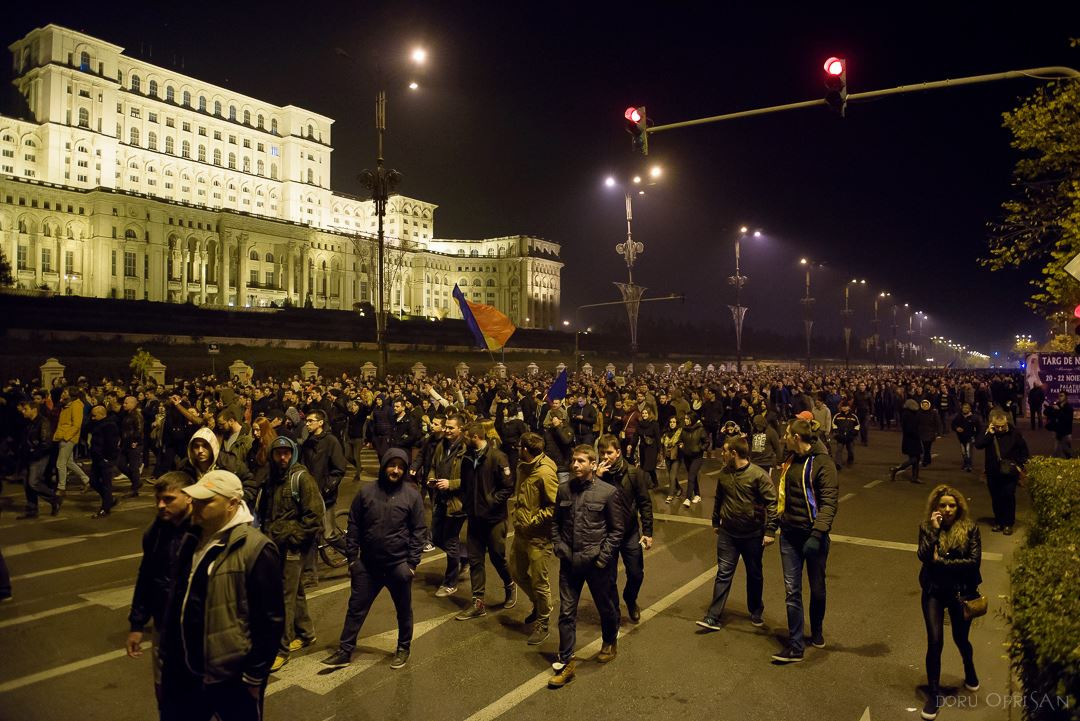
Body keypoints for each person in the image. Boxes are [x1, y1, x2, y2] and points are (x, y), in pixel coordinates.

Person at [159, 470, 284, 721]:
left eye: (207, 501)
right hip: (187, 670)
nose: (197, 506)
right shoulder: (192, 537)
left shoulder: (255, 548)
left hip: (230, 677)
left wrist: (254, 676)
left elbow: (270, 621)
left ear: (232, 504)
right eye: (197, 499)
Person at [322, 449, 426, 669]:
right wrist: (352, 558)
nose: (395, 470)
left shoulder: (412, 496)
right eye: (392, 465)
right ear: (384, 465)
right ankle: (345, 650)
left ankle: (403, 648)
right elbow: (354, 524)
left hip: (398, 565)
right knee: (355, 608)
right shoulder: (366, 493)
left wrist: (412, 564)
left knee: (403, 610)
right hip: (368, 566)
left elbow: (419, 531)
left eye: (400, 467)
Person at [548, 445, 627, 688]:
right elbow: (555, 524)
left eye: (581, 461)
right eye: (573, 461)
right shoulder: (564, 490)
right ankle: (567, 663)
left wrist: (602, 558)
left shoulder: (608, 492)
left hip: (596, 564)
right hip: (570, 563)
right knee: (566, 613)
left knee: (605, 607)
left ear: (593, 465)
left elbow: (617, 531)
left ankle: (610, 640)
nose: (575, 465)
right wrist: (559, 547)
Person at [771, 419, 839, 663]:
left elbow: (829, 503)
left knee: (817, 589)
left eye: (787, 434)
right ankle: (796, 644)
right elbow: (781, 496)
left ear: (797, 438)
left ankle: (817, 630)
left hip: (813, 537)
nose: (783, 438)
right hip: (789, 535)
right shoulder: (789, 460)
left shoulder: (823, 463)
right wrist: (775, 523)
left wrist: (817, 534)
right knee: (792, 590)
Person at [126, 471, 195, 709]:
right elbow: (147, 576)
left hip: (194, 626)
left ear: (188, 497)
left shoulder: (202, 531)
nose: (160, 505)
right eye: (158, 499)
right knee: (164, 688)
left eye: (168, 499)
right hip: (163, 622)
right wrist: (137, 624)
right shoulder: (155, 532)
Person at [255, 436, 323, 672]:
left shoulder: (301, 478)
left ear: (292, 453)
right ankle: (306, 634)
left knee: (283, 597)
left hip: (293, 547)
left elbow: (314, 515)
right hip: (275, 546)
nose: (282, 457)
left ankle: (280, 649)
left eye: (286, 452)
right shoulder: (272, 478)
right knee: (295, 592)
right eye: (278, 453)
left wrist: (294, 537)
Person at [697, 435, 777, 631]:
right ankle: (713, 616)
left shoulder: (758, 475)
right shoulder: (725, 473)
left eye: (724, 451)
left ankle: (756, 611)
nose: (721, 454)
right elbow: (719, 498)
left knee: (754, 574)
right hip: (728, 533)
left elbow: (772, 503)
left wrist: (770, 531)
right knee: (723, 573)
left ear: (734, 453)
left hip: (752, 534)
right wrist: (716, 521)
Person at [916, 485, 982, 720]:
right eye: (942, 505)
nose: (947, 509)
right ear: (935, 507)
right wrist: (934, 532)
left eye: (951, 505)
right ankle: (933, 695)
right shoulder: (926, 527)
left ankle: (970, 669)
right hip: (933, 591)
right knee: (934, 642)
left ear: (959, 507)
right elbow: (923, 556)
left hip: (960, 593)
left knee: (960, 638)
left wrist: (940, 563)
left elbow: (973, 562)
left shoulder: (971, 528)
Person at [455, 421, 517, 620]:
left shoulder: (498, 457)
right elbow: (465, 485)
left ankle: (509, 585)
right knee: (475, 560)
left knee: (498, 558)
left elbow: (508, 487)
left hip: (494, 518)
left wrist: (491, 502)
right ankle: (478, 603)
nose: (462, 440)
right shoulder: (467, 458)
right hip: (474, 517)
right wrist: (467, 503)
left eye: (465, 437)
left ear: (475, 437)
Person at [508, 431, 560, 644]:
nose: (517, 450)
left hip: (538, 537)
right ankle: (538, 605)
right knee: (516, 572)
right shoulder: (523, 467)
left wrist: (533, 520)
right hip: (521, 531)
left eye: (519, 447)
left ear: (526, 450)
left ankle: (543, 621)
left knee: (540, 582)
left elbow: (554, 506)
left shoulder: (545, 473)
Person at [596, 434, 652, 624]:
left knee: (636, 573)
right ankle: (614, 614)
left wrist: (648, 532)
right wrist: (596, 479)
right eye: (602, 453)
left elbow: (645, 503)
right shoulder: (597, 475)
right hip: (607, 534)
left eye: (609, 453)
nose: (605, 457)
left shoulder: (634, 473)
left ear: (618, 452)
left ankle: (630, 598)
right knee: (608, 578)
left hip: (629, 533)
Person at [300, 409, 349, 583]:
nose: (307, 423)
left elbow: (339, 469)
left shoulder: (331, 441)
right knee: (310, 534)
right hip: (310, 496)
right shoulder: (308, 443)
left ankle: (355, 555)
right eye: (306, 421)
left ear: (320, 422)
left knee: (329, 534)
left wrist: (327, 488)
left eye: (311, 421)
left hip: (325, 496)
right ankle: (310, 574)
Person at [428, 413, 469, 597]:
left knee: (451, 541)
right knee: (436, 537)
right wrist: (431, 477)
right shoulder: (441, 445)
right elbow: (434, 466)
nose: (447, 430)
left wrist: (451, 484)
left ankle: (450, 582)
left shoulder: (466, 450)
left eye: (451, 428)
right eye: (446, 427)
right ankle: (464, 557)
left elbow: (473, 479)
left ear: (460, 429)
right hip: (441, 499)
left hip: (458, 503)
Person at [974, 409, 1029, 535]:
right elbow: (978, 445)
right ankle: (999, 521)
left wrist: (1019, 465)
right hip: (993, 471)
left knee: (1008, 496)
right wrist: (989, 433)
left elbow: (1024, 452)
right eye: (997, 426)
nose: (1000, 429)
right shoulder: (990, 433)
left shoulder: (1015, 434)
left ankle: (1009, 523)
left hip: (1010, 472)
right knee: (996, 498)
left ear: (1006, 423)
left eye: (1002, 426)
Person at [16, 397, 59, 518]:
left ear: (34, 410)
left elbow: (45, 443)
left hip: (39, 456)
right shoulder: (28, 422)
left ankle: (54, 498)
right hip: (27, 456)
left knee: (33, 482)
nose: (23, 411)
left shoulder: (43, 422)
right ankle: (32, 509)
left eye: (26, 409)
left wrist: (34, 453)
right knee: (27, 484)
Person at [52, 386, 90, 496]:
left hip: (68, 438)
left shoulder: (76, 405)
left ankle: (61, 487)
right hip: (63, 436)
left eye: (65, 392)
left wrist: (66, 436)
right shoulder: (66, 404)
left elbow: (76, 425)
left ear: (71, 394)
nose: (62, 394)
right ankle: (86, 480)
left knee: (60, 463)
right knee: (69, 462)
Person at [88, 404, 121, 518]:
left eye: (94, 415)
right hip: (97, 458)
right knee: (93, 481)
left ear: (101, 415)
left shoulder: (110, 426)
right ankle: (109, 500)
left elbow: (112, 444)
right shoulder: (98, 424)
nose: (92, 418)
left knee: (106, 484)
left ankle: (105, 508)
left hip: (105, 459)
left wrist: (107, 458)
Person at [677, 412, 708, 507]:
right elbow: (680, 440)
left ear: (692, 419)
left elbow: (706, 442)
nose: (685, 420)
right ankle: (697, 495)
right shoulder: (684, 429)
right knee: (692, 476)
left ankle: (688, 498)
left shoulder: (700, 429)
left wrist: (700, 448)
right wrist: (681, 446)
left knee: (691, 475)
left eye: (687, 419)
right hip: (687, 456)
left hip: (697, 457)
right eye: (685, 419)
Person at [117, 395, 145, 497]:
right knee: (120, 464)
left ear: (133, 404)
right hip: (126, 443)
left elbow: (139, 429)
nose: (124, 405)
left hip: (134, 444)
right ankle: (136, 482)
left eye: (126, 403)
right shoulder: (126, 414)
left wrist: (136, 441)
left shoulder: (137, 415)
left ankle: (135, 489)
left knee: (134, 467)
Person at [891, 399, 923, 483]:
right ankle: (897, 469)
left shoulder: (909, 413)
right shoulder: (908, 414)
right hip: (912, 439)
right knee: (915, 459)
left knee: (915, 458)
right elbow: (909, 428)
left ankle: (914, 477)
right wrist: (917, 433)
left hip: (911, 439)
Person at [950, 403, 983, 473]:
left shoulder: (974, 418)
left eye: (967, 408)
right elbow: (953, 425)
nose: (965, 409)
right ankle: (965, 463)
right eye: (964, 408)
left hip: (970, 437)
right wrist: (957, 428)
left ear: (970, 409)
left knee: (968, 451)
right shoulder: (959, 416)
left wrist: (976, 437)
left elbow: (979, 428)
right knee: (963, 452)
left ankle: (969, 465)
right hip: (961, 438)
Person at [830, 400, 860, 469]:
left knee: (850, 450)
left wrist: (853, 434)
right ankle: (838, 463)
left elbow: (857, 426)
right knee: (839, 450)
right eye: (843, 406)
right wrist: (836, 434)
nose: (844, 408)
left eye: (846, 406)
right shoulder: (837, 416)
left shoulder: (854, 416)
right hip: (840, 437)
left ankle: (850, 460)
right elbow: (834, 425)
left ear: (849, 407)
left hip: (850, 437)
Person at [1045, 390, 1073, 459]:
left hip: (1066, 433)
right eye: (1059, 396)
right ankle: (1057, 461)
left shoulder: (1068, 408)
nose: (1060, 397)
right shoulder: (1057, 405)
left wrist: (1059, 410)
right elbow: (1046, 413)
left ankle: (1070, 462)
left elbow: (1067, 419)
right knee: (1056, 450)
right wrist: (1049, 408)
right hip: (1058, 431)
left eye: (1062, 396)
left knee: (1066, 450)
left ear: (1066, 397)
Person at [917, 399, 943, 467]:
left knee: (927, 448)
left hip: (930, 433)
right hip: (921, 433)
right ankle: (928, 460)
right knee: (925, 448)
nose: (925, 406)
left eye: (926, 405)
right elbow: (916, 423)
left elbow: (938, 423)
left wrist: (939, 433)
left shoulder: (933, 413)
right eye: (923, 405)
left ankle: (925, 461)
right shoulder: (919, 413)